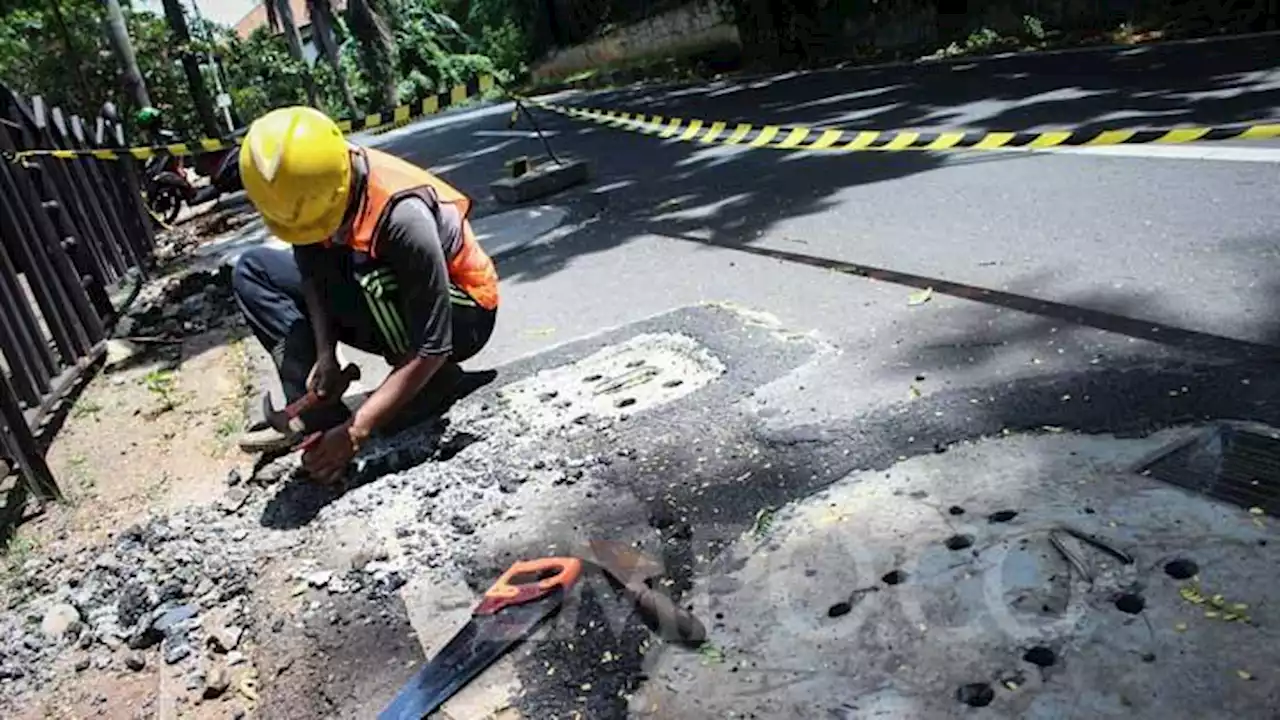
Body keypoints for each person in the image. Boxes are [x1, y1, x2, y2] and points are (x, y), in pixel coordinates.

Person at [230, 106, 499, 484]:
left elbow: (433, 345)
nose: (321, 231)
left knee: (369, 274)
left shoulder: (402, 214)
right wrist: (325, 356)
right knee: (254, 270)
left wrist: (359, 430)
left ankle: (431, 386)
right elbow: (314, 274)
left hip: (464, 313)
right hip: (390, 292)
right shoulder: (308, 196)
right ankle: (318, 414)